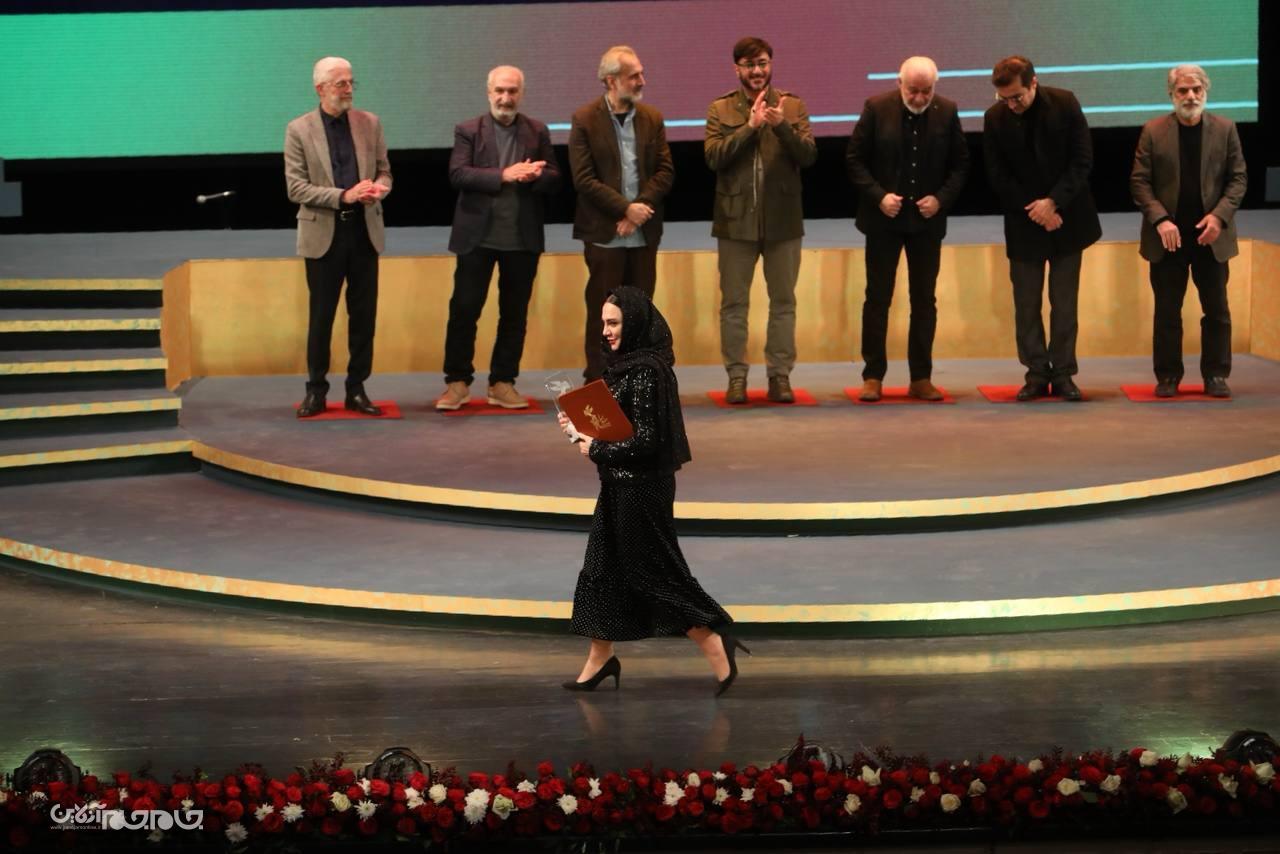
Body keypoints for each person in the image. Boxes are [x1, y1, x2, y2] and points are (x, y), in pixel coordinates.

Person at [557, 287, 747, 696]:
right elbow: (617, 428)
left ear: (635, 322)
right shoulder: (625, 367)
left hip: (642, 490)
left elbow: (646, 441)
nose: (606, 331)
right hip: (618, 484)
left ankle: (714, 641)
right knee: (602, 569)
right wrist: (579, 430)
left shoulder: (647, 371)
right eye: (603, 323)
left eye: (613, 323)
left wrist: (596, 448)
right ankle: (600, 658)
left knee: (652, 574)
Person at [436, 66, 561, 411]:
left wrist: (537, 176)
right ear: (489, 92)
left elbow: (555, 177)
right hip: (477, 238)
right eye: (500, 91)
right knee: (464, 311)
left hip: (522, 238)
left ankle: (503, 382)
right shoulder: (468, 130)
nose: (506, 98)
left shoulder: (537, 130)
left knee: (514, 315)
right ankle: (457, 383)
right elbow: (458, 174)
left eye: (512, 91)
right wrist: (505, 175)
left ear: (521, 93)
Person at [846, 56, 968, 401]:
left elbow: (960, 165)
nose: (919, 97)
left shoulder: (947, 111)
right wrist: (879, 196)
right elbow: (854, 160)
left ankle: (921, 377)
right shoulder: (876, 108)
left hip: (927, 223)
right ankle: (873, 376)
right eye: (913, 90)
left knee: (924, 300)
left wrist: (940, 199)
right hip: (883, 221)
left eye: (926, 91)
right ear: (899, 84)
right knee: (877, 298)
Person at [705, 36, 817, 404]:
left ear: (771, 65)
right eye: (750, 65)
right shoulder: (720, 109)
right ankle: (736, 376)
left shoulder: (793, 106)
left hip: (784, 221)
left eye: (763, 63)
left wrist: (782, 125)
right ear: (737, 69)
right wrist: (749, 127)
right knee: (734, 304)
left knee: (783, 301)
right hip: (735, 221)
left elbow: (808, 156)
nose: (757, 71)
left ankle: (779, 375)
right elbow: (713, 158)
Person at [983, 56, 1101, 401]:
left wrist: (1053, 202)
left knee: (1064, 304)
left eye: (1017, 97)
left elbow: (1082, 160)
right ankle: (1036, 372)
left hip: (1067, 218)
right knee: (1026, 304)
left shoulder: (1065, 103)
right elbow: (997, 174)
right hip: (1024, 222)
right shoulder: (994, 118)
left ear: (1033, 83)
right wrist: (1036, 210)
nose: (1011, 105)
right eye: (1004, 98)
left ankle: (1063, 373)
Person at [1130, 64, 1247, 398]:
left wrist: (1219, 218)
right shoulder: (1153, 131)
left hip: (1212, 237)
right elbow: (1139, 182)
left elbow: (1238, 179)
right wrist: (1160, 220)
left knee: (1217, 311)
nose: (1191, 96)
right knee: (1168, 311)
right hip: (1168, 238)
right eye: (1183, 91)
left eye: (1197, 90)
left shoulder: (1226, 129)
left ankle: (1216, 375)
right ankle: (1168, 376)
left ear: (1206, 92)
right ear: (1171, 95)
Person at [285, 56, 392, 418]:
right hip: (324, 234)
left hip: (364, 232)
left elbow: (385, 172)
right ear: (320, 89)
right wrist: (344, 195)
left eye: (350, 82)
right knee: (322, 318)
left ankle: (356, 389)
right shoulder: (299, 129)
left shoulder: (370, 123)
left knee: (363, 318)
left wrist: (379, 189)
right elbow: (296, 188)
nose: (348, 89)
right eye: (340, 83)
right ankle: (316, 390)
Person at [569, 46, 675, 382]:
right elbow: (583, 179)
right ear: (612, 80)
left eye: (642, 74)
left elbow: (665, 171)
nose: (642, 81)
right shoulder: (585, 119)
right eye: (634, 76)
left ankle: (637, 381)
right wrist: (624, 208)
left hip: (643, 233)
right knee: (603, 313)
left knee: (640, 314)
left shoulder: (652, 118)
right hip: (605, 233)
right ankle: (599, 381)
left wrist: (638, 210)